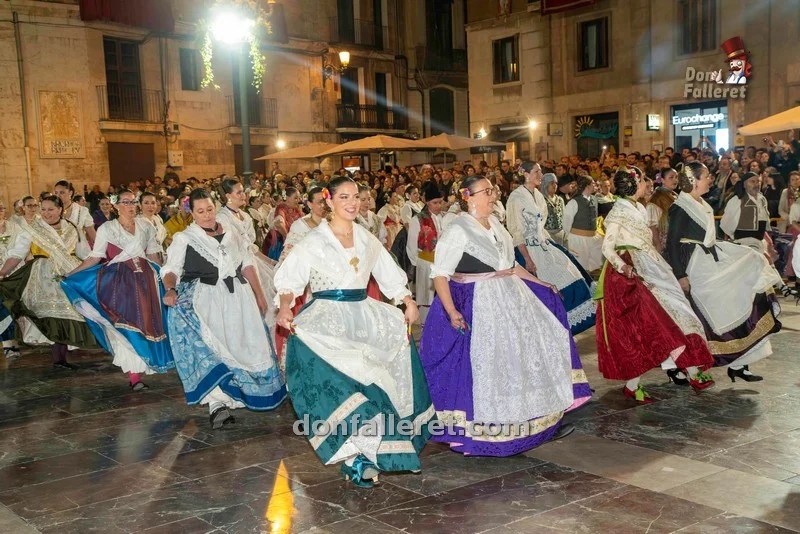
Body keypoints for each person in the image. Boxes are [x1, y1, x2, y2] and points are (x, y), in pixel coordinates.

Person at [274, 177, 434, 488]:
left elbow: (387, 272)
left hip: (364, 318)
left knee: (374, 383)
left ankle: (383, 451)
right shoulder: (313, 241)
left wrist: (406, 299)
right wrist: (284, 307)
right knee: (341, 389)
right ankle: (353, 457)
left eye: (356, 197)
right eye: (344, 196)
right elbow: (289, 281)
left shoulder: (365, 237)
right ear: (328, 200)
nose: (352, 202)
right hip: (325, 323)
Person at [420, 174, 591, 456]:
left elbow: (510, 265)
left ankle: (538, 419)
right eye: (486, 191)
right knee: (496, 363)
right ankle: (495, 429)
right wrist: (451, 311)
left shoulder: (497, 224)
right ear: (468, 197)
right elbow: (440, 274)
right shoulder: (458, 229)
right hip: (483, 301)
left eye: (492, 190)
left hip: (512, 297)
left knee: (528, 354)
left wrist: (541, 283)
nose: (492, 195)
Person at [161, 189, 285, 428]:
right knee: (216, 346)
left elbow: (247, 264)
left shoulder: (231, 233)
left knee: (242, 345)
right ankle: (217, 404)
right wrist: (170, 289)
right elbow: (171, 269)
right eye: (200, 211)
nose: (207, 215)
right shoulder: (184, 238)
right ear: (192, 214)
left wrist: (259, 295)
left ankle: (237, 396)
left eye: (209, 209)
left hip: (239, 297)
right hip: (207, 299)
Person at [596, 169, 715, 403]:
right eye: (642, 181)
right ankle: (634, 385)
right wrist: (624, 267)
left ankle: (690, 369)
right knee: (643, 330)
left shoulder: (640, 207)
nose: (646, 185)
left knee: (675, 315)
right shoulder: (618, 211)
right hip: (629, 275)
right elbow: (607, 249)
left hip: (650, 266)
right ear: (632, 184)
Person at [666, 162, 782, 381]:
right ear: (693, 180)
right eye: (707, 176)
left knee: (749, 267)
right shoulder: (680, 207)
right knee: (694, 319)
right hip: (694, 265)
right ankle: (678, 365)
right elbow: (671, 243)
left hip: (707, 259)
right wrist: (680, 274)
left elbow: (710, 238)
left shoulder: (702, 205)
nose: (710, 179)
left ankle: (739, 362)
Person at [61, 190, 173, 391]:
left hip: (147, 279)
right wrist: (71, 274)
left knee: (148, 322)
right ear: (116, 205)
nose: (130, 206)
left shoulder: (146, 226)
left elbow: (154, 256)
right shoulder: (107, 228)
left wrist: (166, 283)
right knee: (126, 323)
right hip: (121, 281)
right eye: (125, 202)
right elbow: (95, 257)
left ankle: (148, 362)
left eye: (133, 202)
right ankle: (134, 376)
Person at [0, 196, 99, 369]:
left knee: (71, 311)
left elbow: (84, 253)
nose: (46, 213)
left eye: (50, 209)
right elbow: (17, 254)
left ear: (60, 209)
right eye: (43, 209)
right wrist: (2, 272)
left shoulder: (73, 228)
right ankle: (58, 358)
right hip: (43, 276)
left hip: (70, 272)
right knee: (52, 314)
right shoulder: (31, 229)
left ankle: (62, 355)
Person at [506, 162, 596, 334]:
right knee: (543, 290)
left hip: (544, 244)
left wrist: (558, 247)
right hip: (527, 249)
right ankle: (550, 329)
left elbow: (541, 227)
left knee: (571, 272)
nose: (540, 175)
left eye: (540, 171)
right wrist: (527, 259)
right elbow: (516, 232)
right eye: (536, 171)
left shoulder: (539, 196)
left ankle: (565, 325)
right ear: (525, 174)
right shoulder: (516, 198)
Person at [216, 178, 280, 330]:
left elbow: (250, 247)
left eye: (243, 192)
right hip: (237, 266)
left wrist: (270, 261)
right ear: (228, 196)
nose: (243, 195)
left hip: (252, 262)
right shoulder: (222, 218)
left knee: (270, 294)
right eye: (238, 193)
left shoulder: (245, 216)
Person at [406, 182, 445, 323]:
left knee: (442, 294)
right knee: (426, 297)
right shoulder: (418, 219)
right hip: (426, 261)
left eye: (440, 202)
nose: (438, 206)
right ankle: (425, 325)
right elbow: (411, 245)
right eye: (435, 203)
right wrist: (419, 263)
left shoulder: (444, 217)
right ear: (427, 202)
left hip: (442, 262)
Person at [563, 176, 604, 272]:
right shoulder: (574, 202)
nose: (595, 186)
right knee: (580, 267)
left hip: (592, 238)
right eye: (593, 184)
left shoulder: (594, 199)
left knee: (594, 266)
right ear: (587, 186)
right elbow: (566, 222)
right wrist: (569, 239)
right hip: (578, 239)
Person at [0, 201, 22, 358]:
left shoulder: (13, 226)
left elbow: (22, 246)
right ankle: (7, 343)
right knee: (2, 307)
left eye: (1, 207)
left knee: (11, 307)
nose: (0, 210)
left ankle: (14, 340)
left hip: (12, 271)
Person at [54, 180, 95, 259]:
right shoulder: (51, 211)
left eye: (62, 192)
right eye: (56, 193)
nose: (58, 196)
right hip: (56, 254)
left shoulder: (82, 211)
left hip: (78, 254)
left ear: (70, 193)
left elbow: (92, 235)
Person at [263, 187, 303, 260]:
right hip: (280, 242)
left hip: (293, 241)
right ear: (287, 198)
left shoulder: (296, 209)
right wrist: (288, 238)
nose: (298, 200)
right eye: (296, 198)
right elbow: (279, 223)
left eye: (299, 198)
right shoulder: (281, 207)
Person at [647, 167, 679, 254]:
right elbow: (652, 224)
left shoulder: (673, 194)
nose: (675, 180)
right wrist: (658, 244)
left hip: (675, 238)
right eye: (671, 177)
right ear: (663, 180)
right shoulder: (657, 198)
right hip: (664, 241)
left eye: (676, 177)